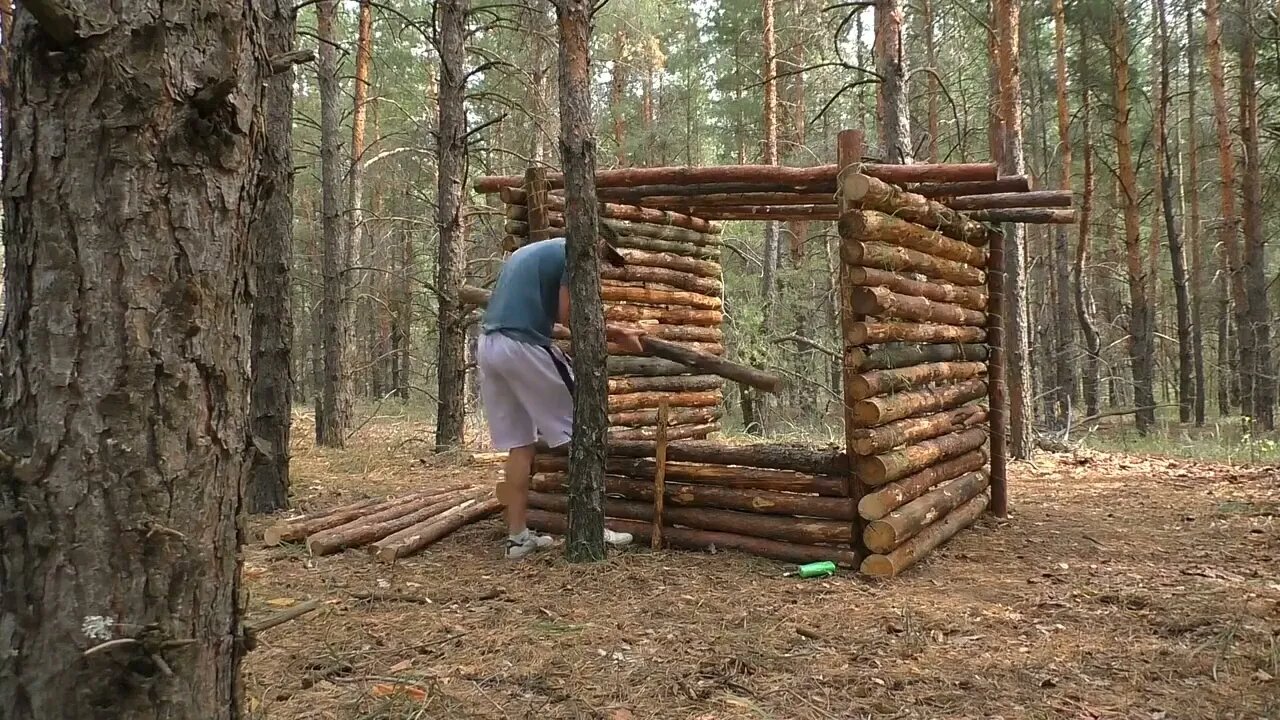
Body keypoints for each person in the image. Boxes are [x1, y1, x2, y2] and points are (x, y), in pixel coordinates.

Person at [478, 229, 646, 559]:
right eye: (602, 255)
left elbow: (551, 309)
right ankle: (593, 528)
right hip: (522, 346)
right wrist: (619, 332)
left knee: (520, 444)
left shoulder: (534, 251)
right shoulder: (573, 252)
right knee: (584, 424)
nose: (598, 263)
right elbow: (570, 316)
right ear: (597, 241)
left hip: (489, 346)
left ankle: (517, 538)